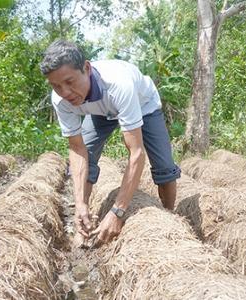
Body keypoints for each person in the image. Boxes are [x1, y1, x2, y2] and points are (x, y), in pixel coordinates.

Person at [40, 40, 181, 245]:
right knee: (87, 155)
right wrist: (79, 204)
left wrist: (117, 212)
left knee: (165, 169)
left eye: (70, 82)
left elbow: (136, 153)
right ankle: (84, 224)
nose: (65, 92)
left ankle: (169, 218)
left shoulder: (118, 85)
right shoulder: (60, 99)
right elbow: (77, 149)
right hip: (100, 112)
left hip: (143, 106)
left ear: (87, 68)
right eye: (56, 86)